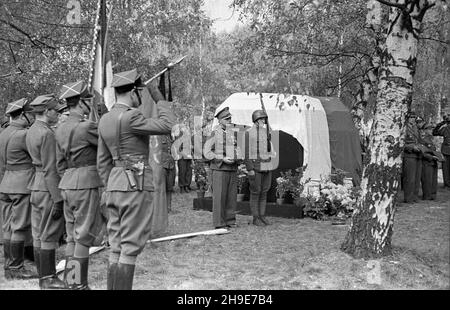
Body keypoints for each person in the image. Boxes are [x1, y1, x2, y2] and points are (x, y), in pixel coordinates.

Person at [97, 68, 176, 290]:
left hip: (115, 184)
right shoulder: (132, 116)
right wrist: (160, 98)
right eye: (139, 92)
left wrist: (109, 186)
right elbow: (167, 126)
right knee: (130, 247)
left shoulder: (105, 119)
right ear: (133, 92)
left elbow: (102, 161)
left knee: (116, 245)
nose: (140, 97)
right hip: (135, 185)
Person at [55, 81, 106, 290]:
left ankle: (70, 281)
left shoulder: (60, 128)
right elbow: (107, 142)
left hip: (67, 182)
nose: (90, 105)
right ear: (82, 103)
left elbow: (59, 164)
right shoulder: (86, 127)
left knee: (72, 237)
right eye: (88, 102)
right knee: (84, 236)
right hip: (85, 182)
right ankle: (78, 284)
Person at [26, 94, 66, 289]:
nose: (58, 114)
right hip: (48, 186)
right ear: (47, 112)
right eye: (55, 110)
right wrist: (58, 198)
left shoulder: (32, 130)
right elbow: (51, 169)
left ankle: (43, 278)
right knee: (49, 233)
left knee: (38, 234)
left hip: (36, 185)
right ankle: (49, 278)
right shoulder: (47, 134)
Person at [0, 98, 38, 280]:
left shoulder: (3, 133)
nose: (31, 117)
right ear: (22, 115)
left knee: (8, 226)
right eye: (30, 114)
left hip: (6, 183)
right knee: (20, 226)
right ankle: (16, 268)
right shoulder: (23, 135)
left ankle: (9, 267)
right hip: (22, 184)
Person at [205, 107, 240, 229]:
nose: (230, 120)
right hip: (219, 169)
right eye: (227, 118)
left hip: (232, 169)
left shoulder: (232, 133)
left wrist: (237, 157)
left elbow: (238, 149)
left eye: (230, 118)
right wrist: (222, 158)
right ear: (220, 121)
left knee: (231, 196)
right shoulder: (214, 133)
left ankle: (230, 220)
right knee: (219, 197)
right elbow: (207, 153)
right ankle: (219, 223)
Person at [244, 110, 276, 226]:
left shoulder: (266, 132)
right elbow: (246, 153)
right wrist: (250, 169)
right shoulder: (249, 133)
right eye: (262, 119)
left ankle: (262, 216)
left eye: (264, 119)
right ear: (256, 121)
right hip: (256, 167)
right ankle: (255, 217)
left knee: (264, 192)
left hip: (266, 166)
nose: (264, 121)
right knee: (255, 192)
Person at [402, 112, 422, 203]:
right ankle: (408, 198)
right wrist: (411, 147)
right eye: (411, 117)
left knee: (417, 178)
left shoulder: (416, 127)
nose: (413, 119)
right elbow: (401, 143)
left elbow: (419, 140)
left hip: (418, 155)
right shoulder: (403, 128)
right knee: (410, 178)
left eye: (414, 117)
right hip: (409, 155)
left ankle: (414, 196)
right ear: (407, 118)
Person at [419, 123, 443, 200]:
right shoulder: (422, 140)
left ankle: (433, 195)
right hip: (427, 162)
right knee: (427, 179)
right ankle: (427, 196)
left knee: (433, 180)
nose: (431, 131)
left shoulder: (432, 140)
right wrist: (432, 157)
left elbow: (435, 150)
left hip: (433, 161)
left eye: (431, 129)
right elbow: (423, 153)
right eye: (429, 129)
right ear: (425, 130)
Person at [433, 114, 450, 189]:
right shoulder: (445, 128)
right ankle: (446, 184)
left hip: (446, 149)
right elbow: (435, 132)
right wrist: (442, 123)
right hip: (446, 151)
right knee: (445, 168)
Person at [160, 134, 176, 212]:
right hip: (161, 164)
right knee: (161, 187)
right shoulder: (157, 136)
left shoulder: (169, 136)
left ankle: (168, 207)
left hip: (171, 164)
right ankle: (161, 207)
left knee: (169, 187)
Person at [177, 125, 193, 193]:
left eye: (186, 128)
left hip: (189, 158)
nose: (186, 129)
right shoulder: (179, 137)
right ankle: (182, 187)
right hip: (182, 158)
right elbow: (178, 149)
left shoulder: (188, 137)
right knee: (182, 172)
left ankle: (187, 185)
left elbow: (190, 147)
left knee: (189, 172)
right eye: (185, 128)